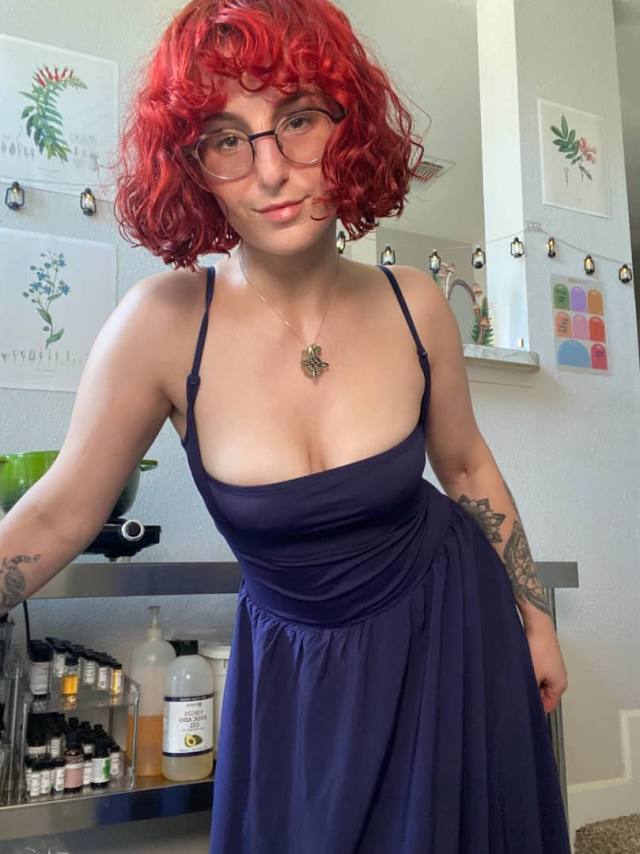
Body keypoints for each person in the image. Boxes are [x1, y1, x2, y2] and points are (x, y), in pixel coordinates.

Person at [0, 0, 572, 851]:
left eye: (298, 119)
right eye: (227, 139)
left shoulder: (416, 303)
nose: (270, 171)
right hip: (298, 681)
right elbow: (58, 514)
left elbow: (466, 468)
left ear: (349, 127)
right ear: (191, 165)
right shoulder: (163, 324)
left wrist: (536, 620)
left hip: (453, 635)